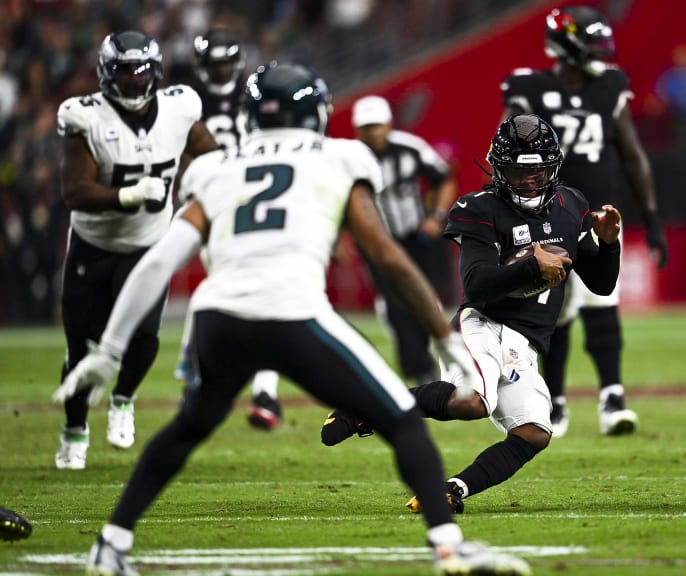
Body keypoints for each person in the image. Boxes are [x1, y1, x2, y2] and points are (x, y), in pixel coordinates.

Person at [53, 61, 530, 576]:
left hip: (219, 320)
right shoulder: (340, 157)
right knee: (401, 419)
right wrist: (444, 335)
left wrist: (108, 351)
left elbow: (159, 260)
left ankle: (111, 544)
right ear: (314, 111)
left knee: (188, 427)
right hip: (292, 314)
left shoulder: (215, 167)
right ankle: (448, 549)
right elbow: (387, 257)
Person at [323, 114, 621, 514]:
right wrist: (532, 268)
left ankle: (452, 490)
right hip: (483, 324)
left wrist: (608, 243)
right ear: (499, 170)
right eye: (518, 172)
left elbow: (601, 283)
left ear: (553, 169)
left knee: (534, 432)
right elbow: (477, 285)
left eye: (538, 172)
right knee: (472, 402)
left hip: (526, 343)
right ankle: (369, 408)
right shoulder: (479, 208)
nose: (529, 182)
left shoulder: (572, 205)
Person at [500, 5, 668, 438]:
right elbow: (505, 150)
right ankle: (553, 401)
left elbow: (631, 153)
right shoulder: (529, 88)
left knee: (603, 303)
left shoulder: (610, 85)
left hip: (598, 214)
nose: (600, 51)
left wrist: (651, 219)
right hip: (547, 216)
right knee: (552, 311)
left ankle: (612, 396)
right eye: (591, 43)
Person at [54, 30, 218, 469]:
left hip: (148, 244)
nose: (135, 79)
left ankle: (123, 399)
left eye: (142, 70)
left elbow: (207, 151)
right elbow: (74, 191)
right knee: (82, 351)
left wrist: (212, 177)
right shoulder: (83, 116)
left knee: (145, 335)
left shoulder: (180, 107)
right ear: (109, 74)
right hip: (93, 246)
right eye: (126, 71)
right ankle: (74, 430)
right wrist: (128, 195)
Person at [179, 28, 284, 430]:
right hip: (214, 206)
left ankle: (263, 390)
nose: (222, 70)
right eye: (215, 63)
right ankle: (200, 374)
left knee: (263, 296)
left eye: (227, 62)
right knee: (227, 292)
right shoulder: (189, 101)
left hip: (255, 207)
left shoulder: (254, 92)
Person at [351, 94, 457, 386]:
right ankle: (421, 371)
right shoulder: (349, 158)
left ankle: (447, 360)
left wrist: (435, 216)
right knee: (397, 306)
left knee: (430, 299)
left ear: (388, 123)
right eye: (366, 126)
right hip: (377, 242)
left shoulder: (409, 148)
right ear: (357, 129)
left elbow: (444, 178)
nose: (373, 132)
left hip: (416, 236)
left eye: (377, 125)